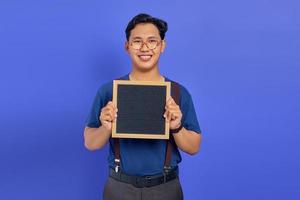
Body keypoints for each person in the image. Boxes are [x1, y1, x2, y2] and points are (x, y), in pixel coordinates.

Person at [84, 13, 202, 200]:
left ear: (162, 46)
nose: (145, 48)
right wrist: (106, 127)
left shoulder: (178, 93)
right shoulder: (109, 91)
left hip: (165, 187)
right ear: (127, 46)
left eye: (152, 41)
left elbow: (194, 147)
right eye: (137, 41)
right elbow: (90, 143)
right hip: (119, 187)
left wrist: (176, 127)